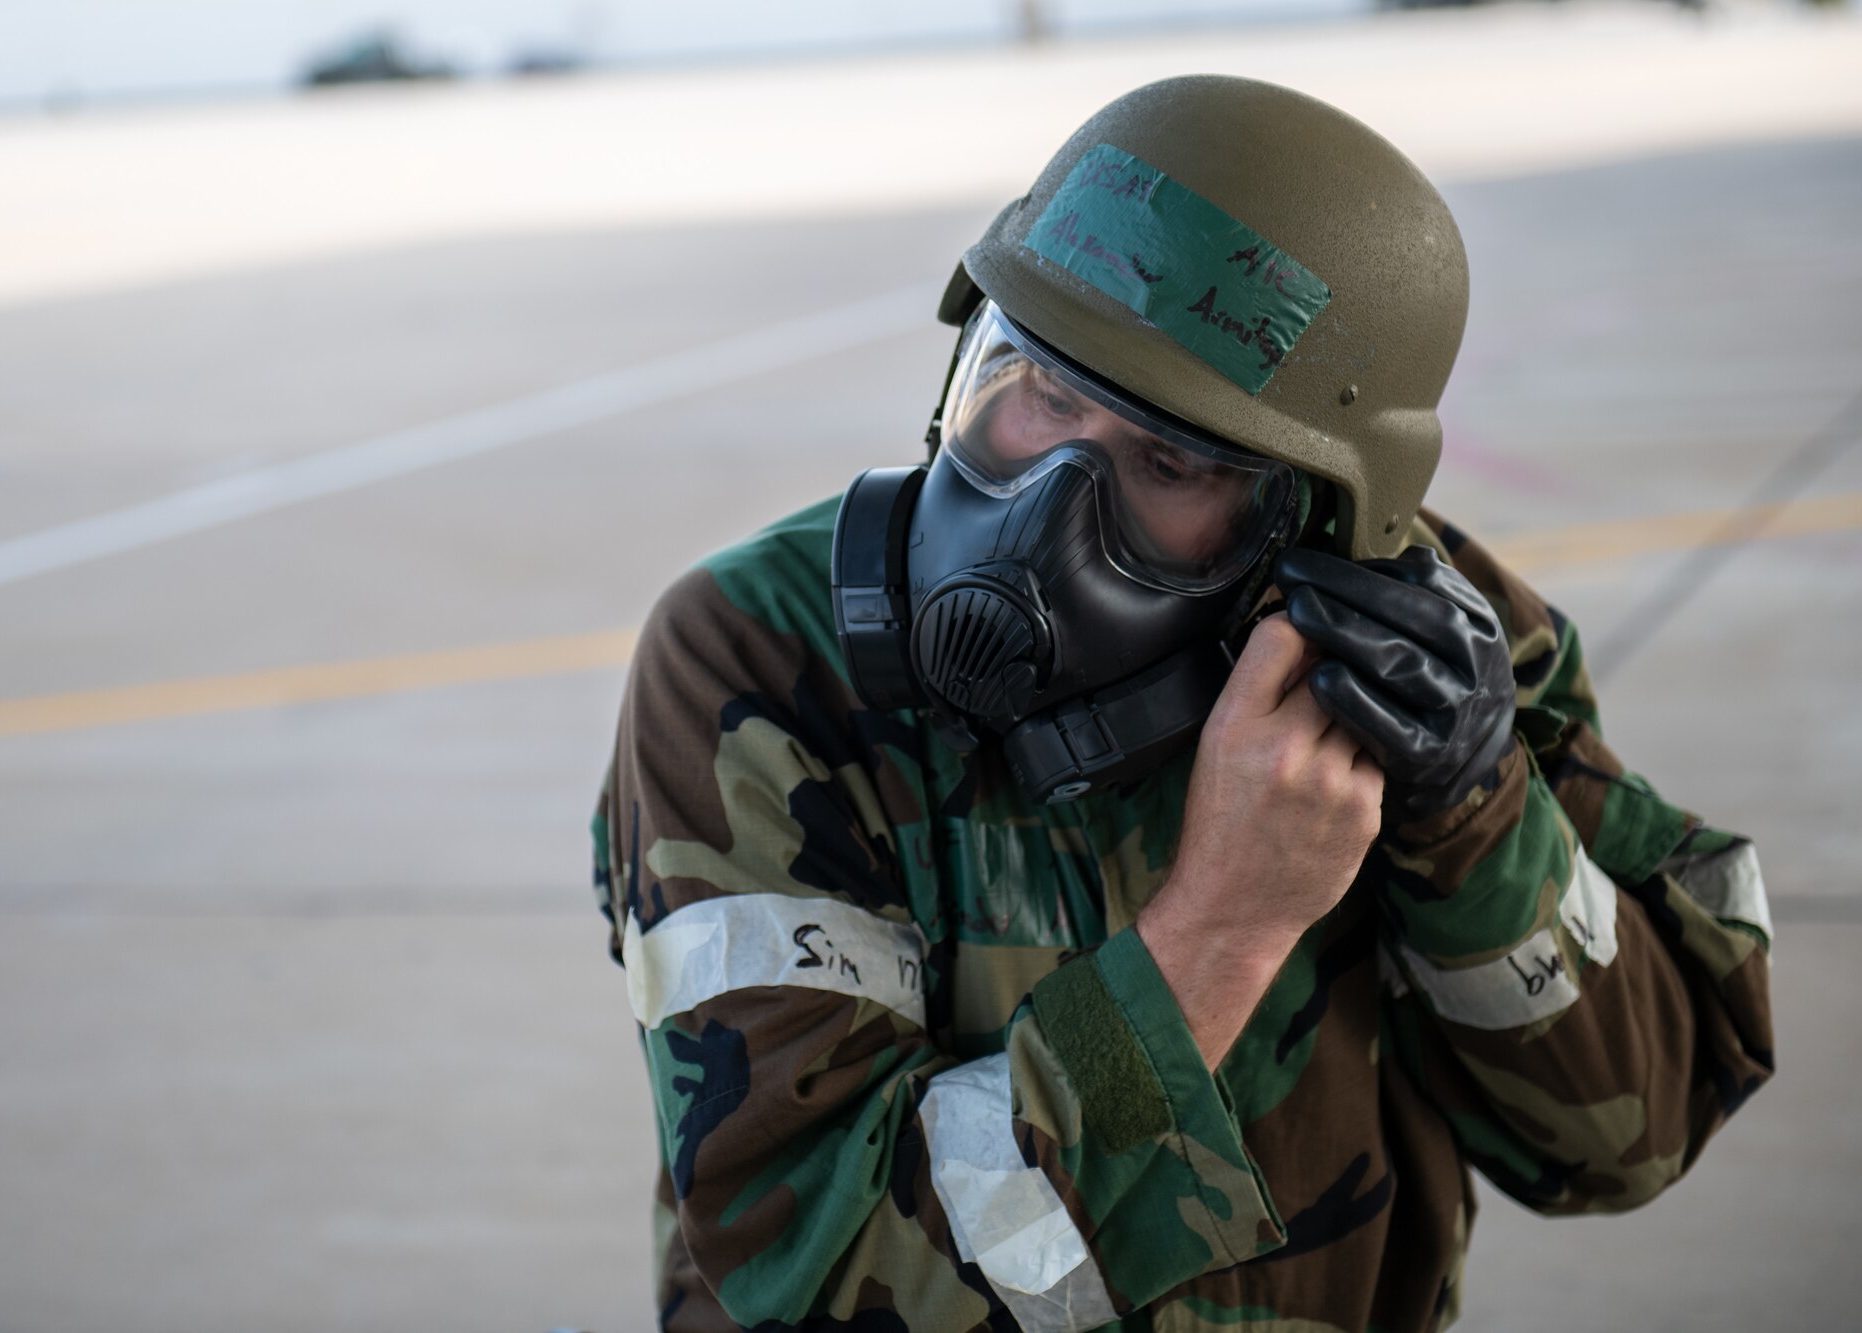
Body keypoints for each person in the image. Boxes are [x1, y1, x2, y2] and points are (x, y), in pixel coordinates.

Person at [590, 75, 1773, 1332]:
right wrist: (1219, 929)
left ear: (1302, 518)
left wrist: (1472, 819)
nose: (1044, 505)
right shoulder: (759, 660)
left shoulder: (1417, 655)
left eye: (1167, 462)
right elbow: (824, 1280)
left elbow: (1625, 1143)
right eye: (1036, 389)